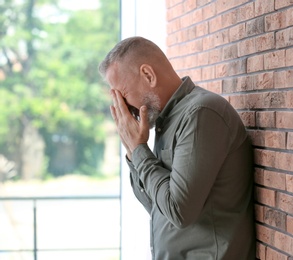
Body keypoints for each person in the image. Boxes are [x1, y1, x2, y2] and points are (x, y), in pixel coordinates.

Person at [98, 36, 255, 260]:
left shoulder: (201, 113)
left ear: (148, 75)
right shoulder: (166, 122)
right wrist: (134, 152)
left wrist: (140, 149)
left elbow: (179, 212)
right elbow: (156, 206)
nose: (123, 108)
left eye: (123, 95)